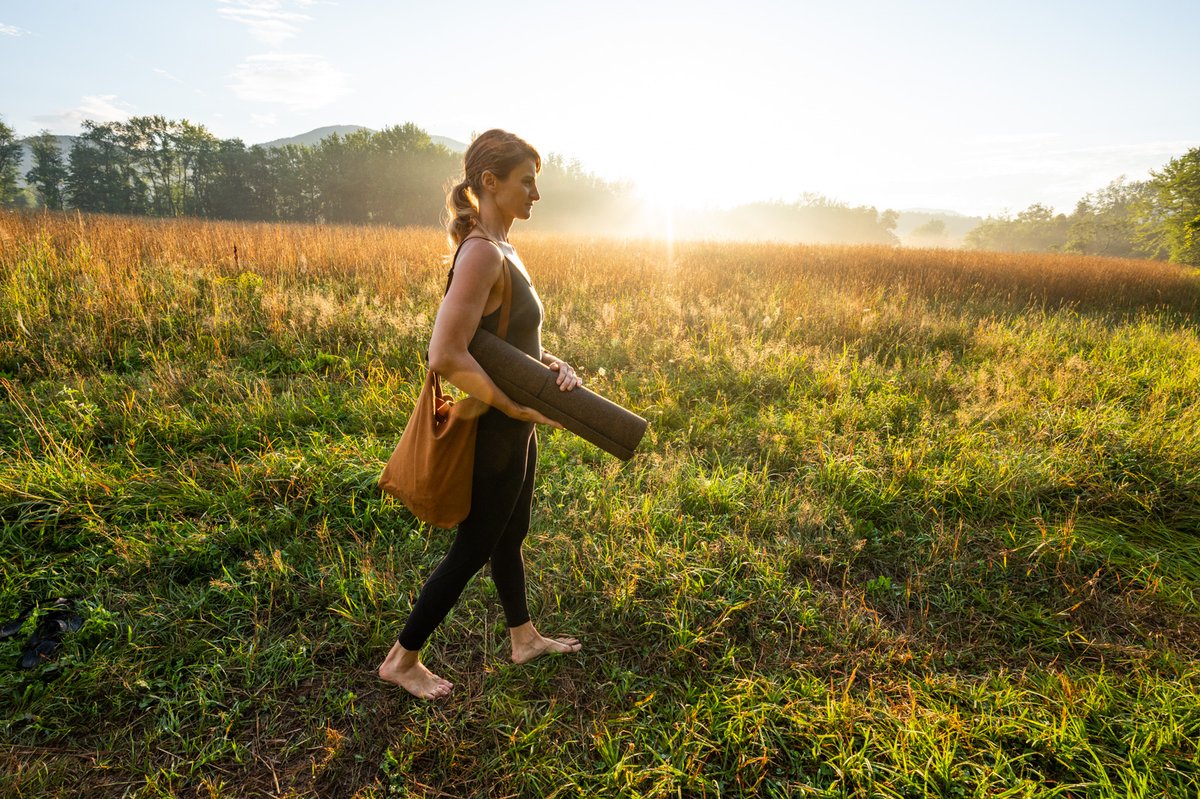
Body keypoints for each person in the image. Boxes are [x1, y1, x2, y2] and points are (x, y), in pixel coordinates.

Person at [378, 129, 583, 700]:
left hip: (515, 422)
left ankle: (524, 638)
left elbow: (504, 339)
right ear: (490, 182)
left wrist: (552, 363)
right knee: (474, 547)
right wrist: (511, 404)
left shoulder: (502, 247)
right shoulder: (482, 253)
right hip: (496, 424)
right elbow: (445, 353)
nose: (536, 193)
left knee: (510, 534)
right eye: (526, 181)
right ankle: (401, 660)